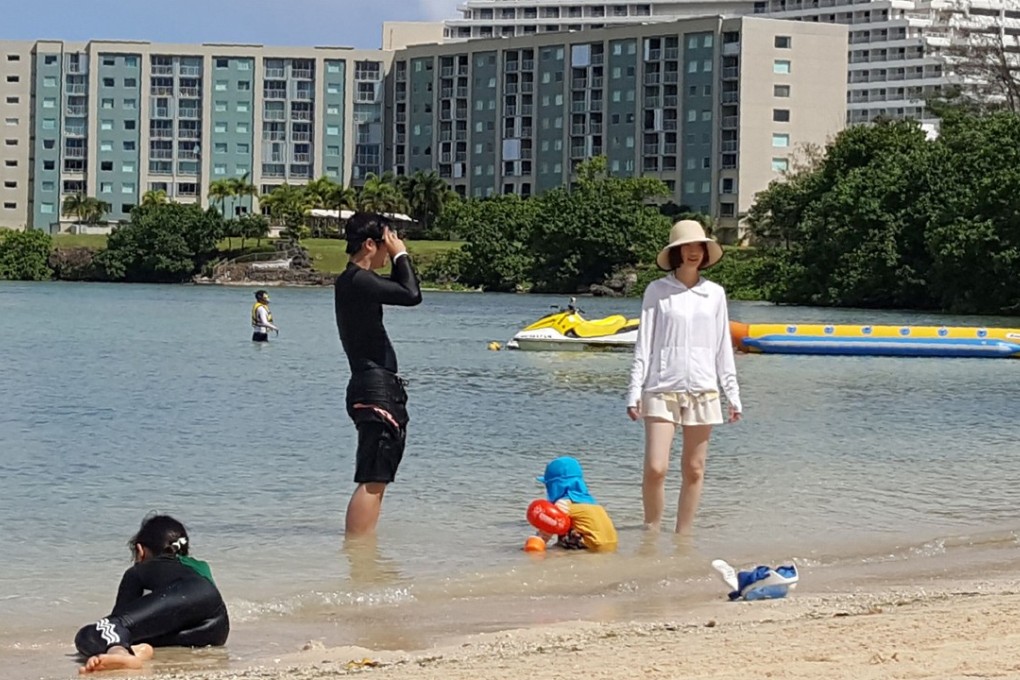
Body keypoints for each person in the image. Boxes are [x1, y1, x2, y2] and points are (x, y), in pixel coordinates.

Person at [627, 220, 743, 535]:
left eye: (698, 247)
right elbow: (644, 343)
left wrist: (732, 394)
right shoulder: (657, 291)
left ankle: (684, 536)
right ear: (676, 252)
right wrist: (634, 390)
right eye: (686, 247)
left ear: (705, 252)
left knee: (694, 469)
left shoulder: (715, 294)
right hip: (661, 387)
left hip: (704, 389)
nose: (693, 253)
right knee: (656, 467)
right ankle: (651, 532)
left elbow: (722, 347)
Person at [334, 213, 422, 537]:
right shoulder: (357, 279)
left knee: (376, 477)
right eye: (386, 243)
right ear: (370, 244)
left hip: (369, 385)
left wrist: (396, 250)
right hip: (376, 388)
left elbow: (404, 291)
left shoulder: (352, 281)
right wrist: (401, 254)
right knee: (373, 479)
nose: (389, 251)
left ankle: (361, 551)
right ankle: (359, 553)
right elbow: (412, 293)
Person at [74, 514, 229, 674]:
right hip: (216, 627)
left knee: (93, 632)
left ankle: (119, 653)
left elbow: (116, 623)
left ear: (141, 551)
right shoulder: (201, 566)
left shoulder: (138, 571)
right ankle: (139, 651)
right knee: (140, 634)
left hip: (187, 593)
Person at [533, 456, 618, 552]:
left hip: (592, 546)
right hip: (611, 545)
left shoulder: (563, 503)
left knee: (558, 539)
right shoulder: (592, 502)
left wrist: (535, 543)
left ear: (554, 486)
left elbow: (547, 532)